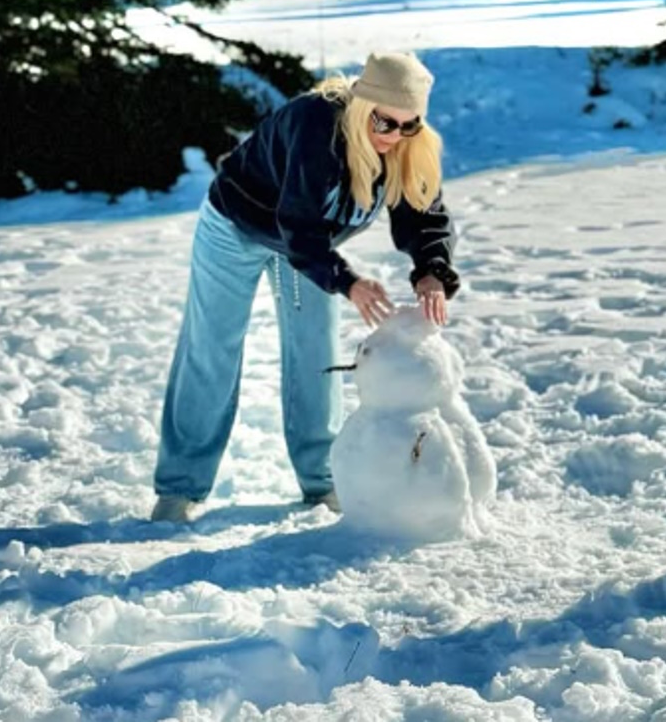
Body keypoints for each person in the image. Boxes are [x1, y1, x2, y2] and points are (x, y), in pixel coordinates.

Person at [151, 52, 460, 523]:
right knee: (212, 348)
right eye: (384, 121)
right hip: (236, 230)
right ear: (361, 106)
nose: (393, 136)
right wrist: (347, 281)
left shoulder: (404, 148)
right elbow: (298, 224)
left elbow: (423, 215)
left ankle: (321, 481)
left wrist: (432, 269)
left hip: (307, 244)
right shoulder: (316, 126)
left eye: (408, 125)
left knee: (314, 350)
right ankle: (180, 488)